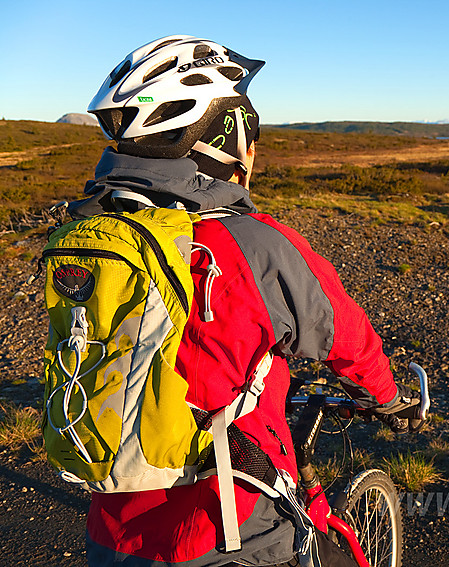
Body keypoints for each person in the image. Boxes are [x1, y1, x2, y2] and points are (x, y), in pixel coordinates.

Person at [70, 35, 420, 567]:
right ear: (228, 140)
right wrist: (391, 398)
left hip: (110, 532)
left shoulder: (95, 238)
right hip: (231, 534)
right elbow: (346, 335)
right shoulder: (253, 244)